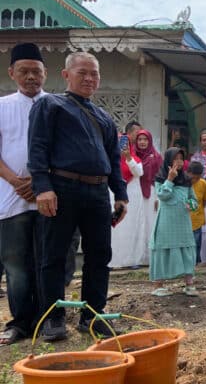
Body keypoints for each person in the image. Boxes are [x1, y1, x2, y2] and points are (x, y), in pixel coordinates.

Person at [28, 51, 128, 341]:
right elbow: (37, 148)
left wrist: (120, 195)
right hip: (61, 188)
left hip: (97, 192)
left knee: (100, 255)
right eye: (82, 72)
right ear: (66, 75)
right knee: (54, 255)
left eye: (94, 73)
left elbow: (113, 157)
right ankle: (52, 318)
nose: (89, 78)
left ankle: (93, 317)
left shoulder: (104, 117)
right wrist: (42, 188)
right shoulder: (50, 104)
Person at [0, 43, 46, 345]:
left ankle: (45, 318)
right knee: (15, 265)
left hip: (47, 197)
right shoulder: (2, 105)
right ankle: (19, 323)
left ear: (45, 73)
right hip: (11, 198)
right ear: (12, 73)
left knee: (47, 262)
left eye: (36, 71)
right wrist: (17, 182)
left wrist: (41, 182)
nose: (31, 77)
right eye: (24, 71)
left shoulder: (55, 105)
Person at [149, 148, 199, 297]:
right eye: (175, 159)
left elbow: (194, 200)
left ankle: (189, 284)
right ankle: (159, 285)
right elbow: (162, 196)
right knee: (163, 248)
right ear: (168, 161)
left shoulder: (186, 180)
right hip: (166, 221)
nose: (178, 162)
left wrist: (191, 204)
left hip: (182, 221)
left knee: (186, 248)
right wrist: (170, 179)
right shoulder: (160, 178)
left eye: (181, 159)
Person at [109, 132, 146, 269]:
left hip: (133, 196)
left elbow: (139, 173)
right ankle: (113, 261)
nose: (122, 146)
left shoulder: (135, 158)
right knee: (115, 229)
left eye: (125, 143)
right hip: (115, 196)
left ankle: (132, 261)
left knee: (132, 228)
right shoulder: (110, 160)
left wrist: (128, 158)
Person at [134, 129, 162, 266]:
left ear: (149, 141)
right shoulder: (132, 156)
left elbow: (161, 178)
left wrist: (158, 197)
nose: (142, 142)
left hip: (152, 194)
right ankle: (138, 258)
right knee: (138, 225)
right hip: (136, 194)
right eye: (140, 139)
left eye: (145, 139)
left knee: (151, 224)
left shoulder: (156, 157)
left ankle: (151, 258)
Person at [187, 161, 206, 265]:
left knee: (196, 242)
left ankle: (195, 262)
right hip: (184, 219)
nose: (195, 180)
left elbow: (205, 201)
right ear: (188, 173)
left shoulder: (203, 184)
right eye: (193, 178)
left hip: (197, 219)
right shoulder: (182, 183)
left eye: (197, 178)